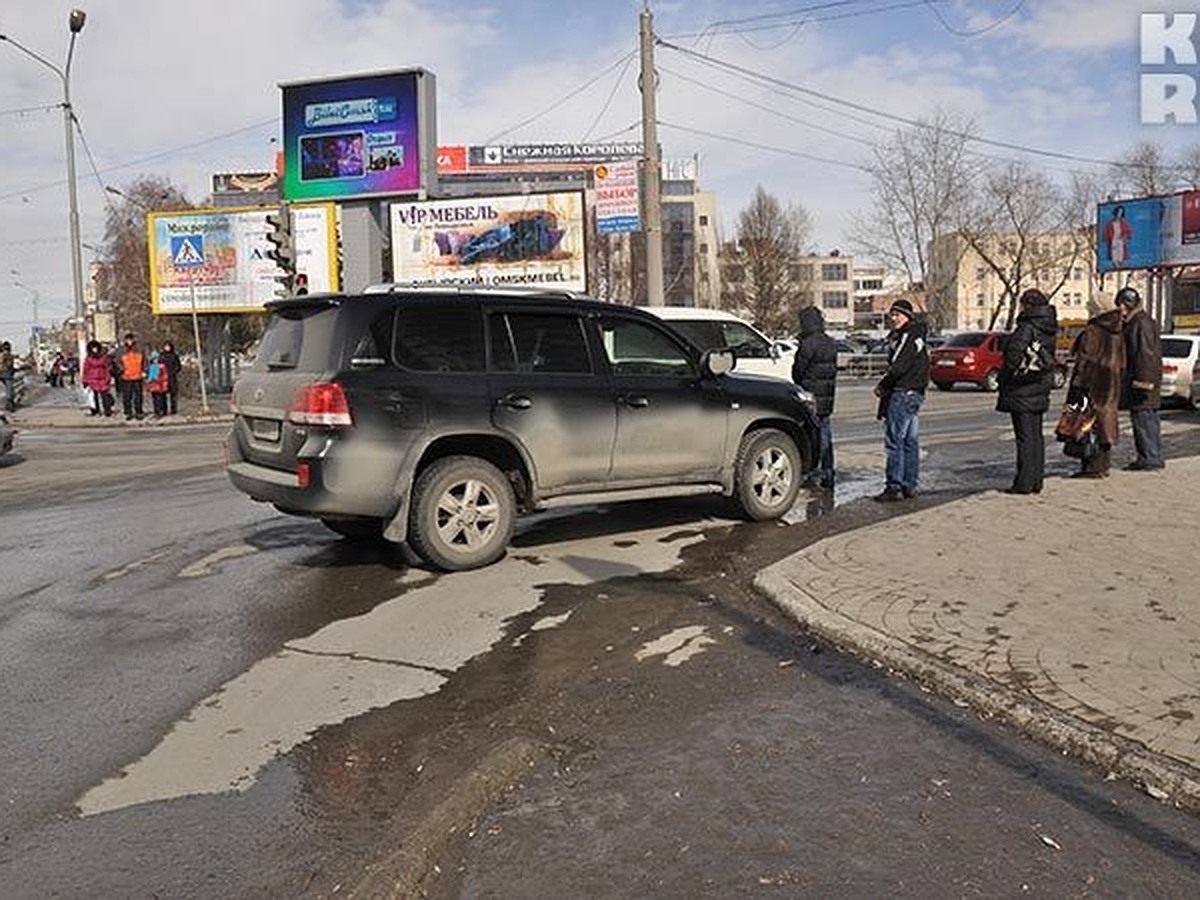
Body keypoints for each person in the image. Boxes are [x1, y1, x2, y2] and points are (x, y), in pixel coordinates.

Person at [996, 289, 1058, 494]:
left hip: (1021, 389)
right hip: (1039, 386)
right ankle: (1036, 481)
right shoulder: (1049, 326)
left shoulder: (1026, 327)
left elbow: (1013, 358)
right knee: (1035, 436)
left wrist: (1004, 377)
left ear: (1027, 306)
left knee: (1024, 437)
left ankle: (1023, 482)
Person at [873, 299, 929, 501]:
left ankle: (894, 486)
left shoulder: (909, 335)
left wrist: (883, 385)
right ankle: (909, 485)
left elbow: (899, 365)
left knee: (895, 441)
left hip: (903, 392)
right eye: (892, 315)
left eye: (897, 315)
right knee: (909, 441)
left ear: (907, 316)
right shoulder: (917, 335)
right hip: (914, 392)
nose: (893, 318)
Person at [1065, 304, 1125, 478]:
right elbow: (1123, 360)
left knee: (1087, 423)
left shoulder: (1092, 331)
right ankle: (1103, 465)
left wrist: (1078, 384)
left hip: (1092, 383)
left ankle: (1091, 466)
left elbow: (1085, 360)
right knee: (1105, 422)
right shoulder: (1118, 330)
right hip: (1111, 381)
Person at [1116, 286, 1165, 471]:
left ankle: (1149, 458)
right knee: (1148, 420)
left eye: (1120, 304)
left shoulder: (1139, 323)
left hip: (1142, 381)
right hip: (1146, 380)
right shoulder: (1143, 321)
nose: (1119, 309)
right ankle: (1152, 456)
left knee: (1143, 420)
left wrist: (1143, 380)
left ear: (1126, 304)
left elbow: (1145, 353)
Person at [791, 306, 838, 489]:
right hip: (827, 396)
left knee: (813, 437)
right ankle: (828, 472)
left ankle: (814, 474)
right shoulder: (830, 342)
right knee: (826, 434)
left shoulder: (808, 344)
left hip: (811, 395)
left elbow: (798, 371)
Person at [81, 339, 114, 417]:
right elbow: (85, 370)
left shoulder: (103, 358)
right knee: (93, 397)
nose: (94, 349)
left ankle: (107, 410)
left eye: (95, 348)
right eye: (93, 348)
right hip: (92, 380)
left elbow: (107, 368)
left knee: (104, 396)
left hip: (102, 379)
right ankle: (95, 410)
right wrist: (84, 380)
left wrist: (108, 378)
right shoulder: (88, 359)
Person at [119, 332, 147, 420]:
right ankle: (128, 412)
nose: (129, 342)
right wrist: (122, 370)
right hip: (126, 377)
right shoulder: (121, 351)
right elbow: (117, 362)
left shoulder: (140, 350)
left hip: (138, 376)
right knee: (127, 396)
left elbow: (145, 362)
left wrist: (145, 371)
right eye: (128, 340)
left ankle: (138, 412)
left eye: (131, 340)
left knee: (138, 396)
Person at [160, 341, 182, 415]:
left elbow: (178, 366)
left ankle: (173, 410)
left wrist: (174, 371)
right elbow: (158, 365)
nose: (167, 348)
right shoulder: (161, 356)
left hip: (172, 377)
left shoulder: (174, 356)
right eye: (165, 346)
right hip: (163, 378)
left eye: (168, 346)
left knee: (173, 395)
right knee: (163, 395)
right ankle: (164, 410)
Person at [146, 349, 169, 418]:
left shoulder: (161, 366)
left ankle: (160, 411)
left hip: (159, 384)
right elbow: (149, 376)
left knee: (160, 398)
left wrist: (163, 383)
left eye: (155, 357)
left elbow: (165, 375)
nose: (154, 359)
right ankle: (156, 411)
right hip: (154, 385)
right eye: (153, 358)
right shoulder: (151, 366)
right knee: (155, 398)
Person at [0, 340, 15, 412]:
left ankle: (8, 405)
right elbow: (11, 365)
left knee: (8, 389)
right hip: (7, 374)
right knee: (9, 390)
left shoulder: (2, 355)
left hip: (2, 373)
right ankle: (10, 405)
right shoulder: (10, 355)